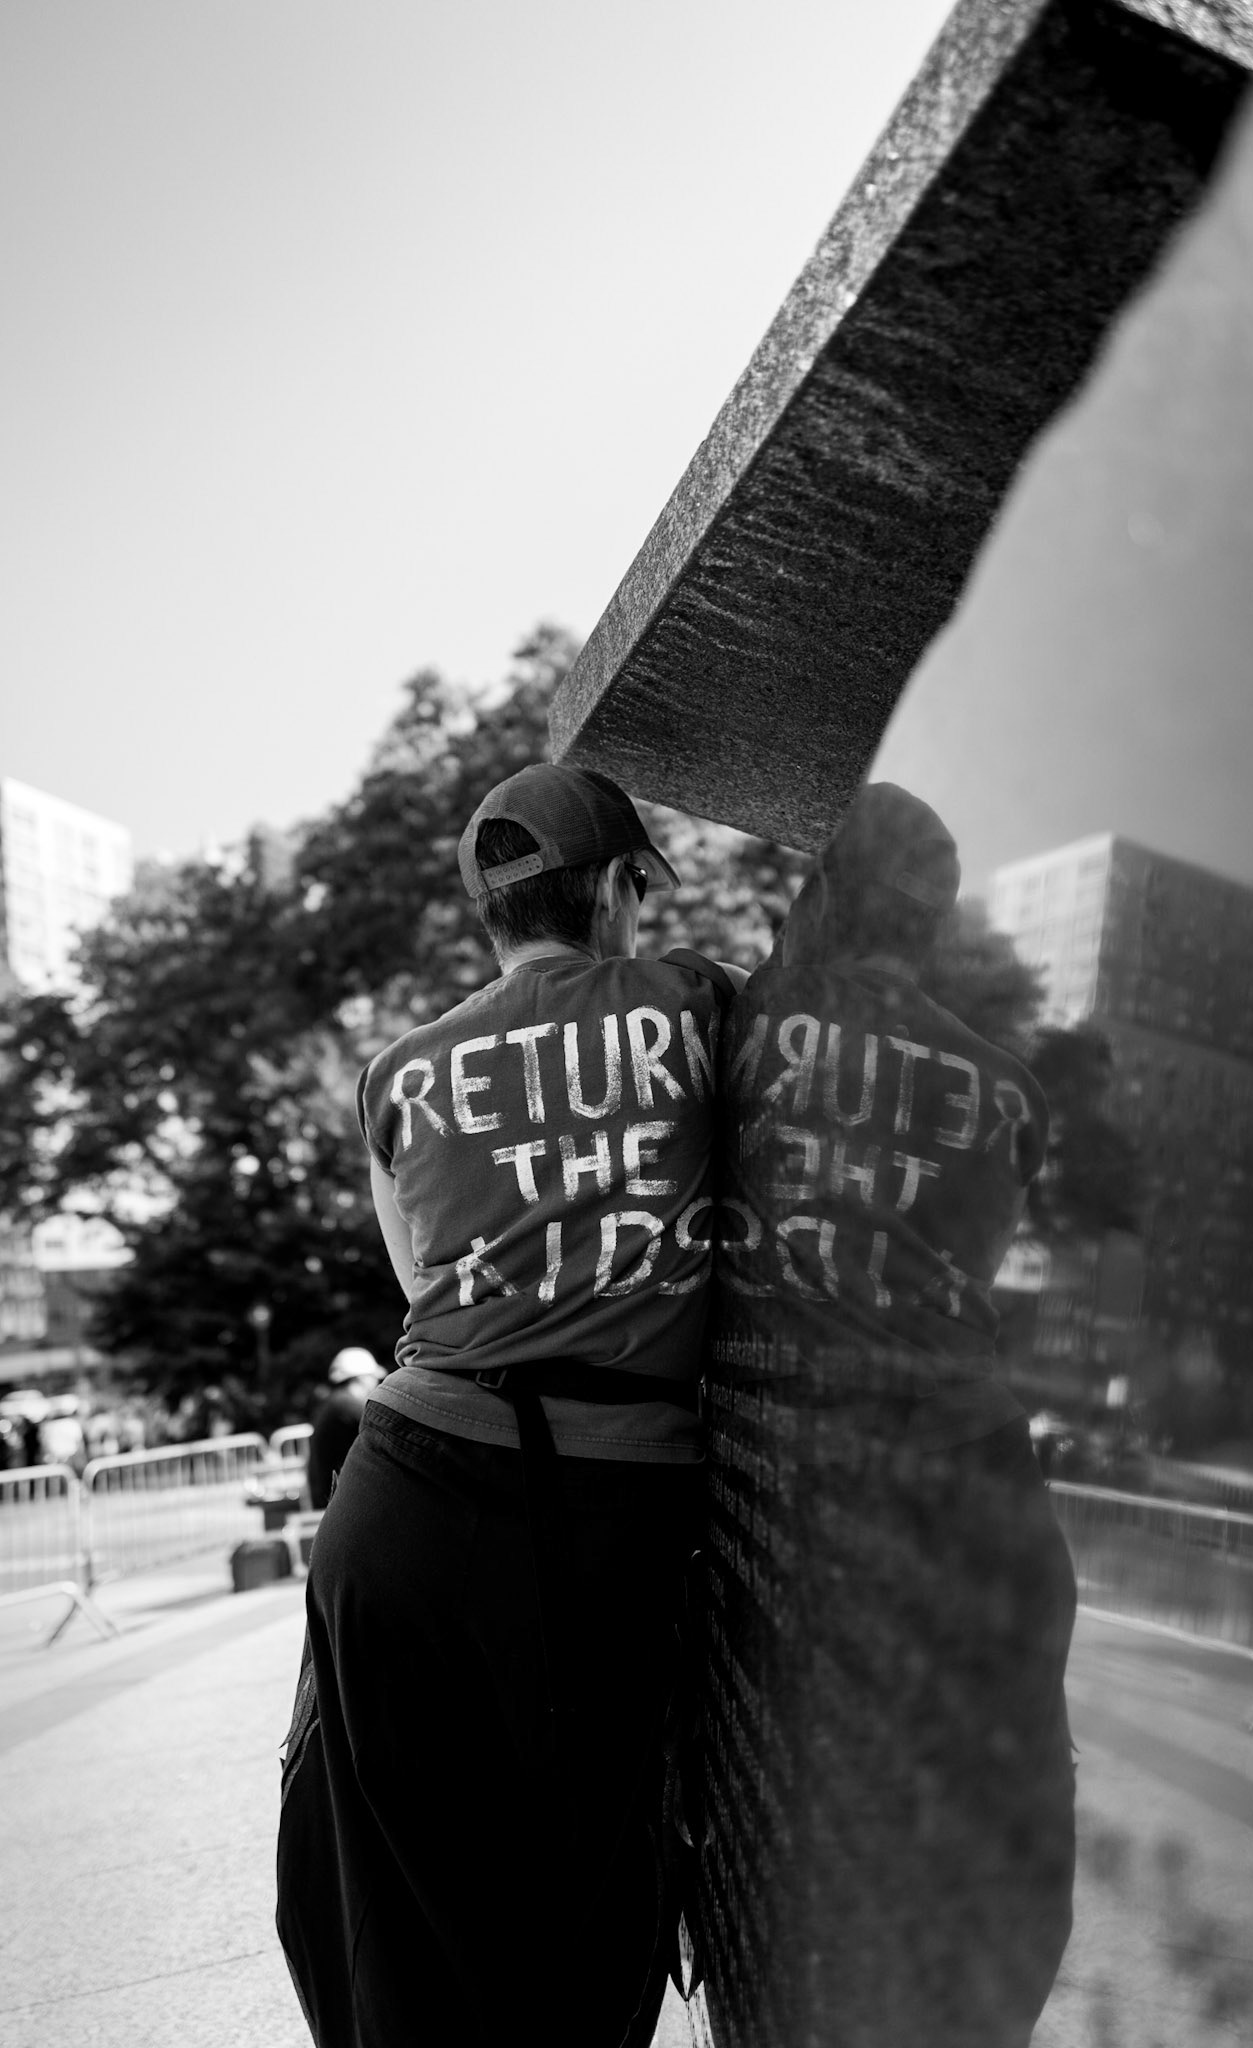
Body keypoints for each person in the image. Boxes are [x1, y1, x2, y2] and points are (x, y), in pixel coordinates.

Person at [277, 762, 742, 2048]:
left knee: (402, 1924)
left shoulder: (400, 1073)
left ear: (492, 908)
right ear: (609, 887)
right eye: (637, 889)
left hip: (401, 1495)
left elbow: (420, 1283)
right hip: (596, 1517)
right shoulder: (698, 1002)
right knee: (587, 1924)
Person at [702, 784, 1076, 2048]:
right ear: (936, 922)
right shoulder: (1010, 1090)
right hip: (976, 1480)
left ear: (822, 890)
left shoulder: (732, 1022)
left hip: (813, 1486)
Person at [304, 1346, 383, 1509]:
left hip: (332, 1503)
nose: (376, 1383)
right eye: (373, 1377)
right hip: (340, 1506)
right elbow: (386, 1434)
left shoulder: (337, 1404)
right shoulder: (347, 1406)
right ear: (361, 1378)